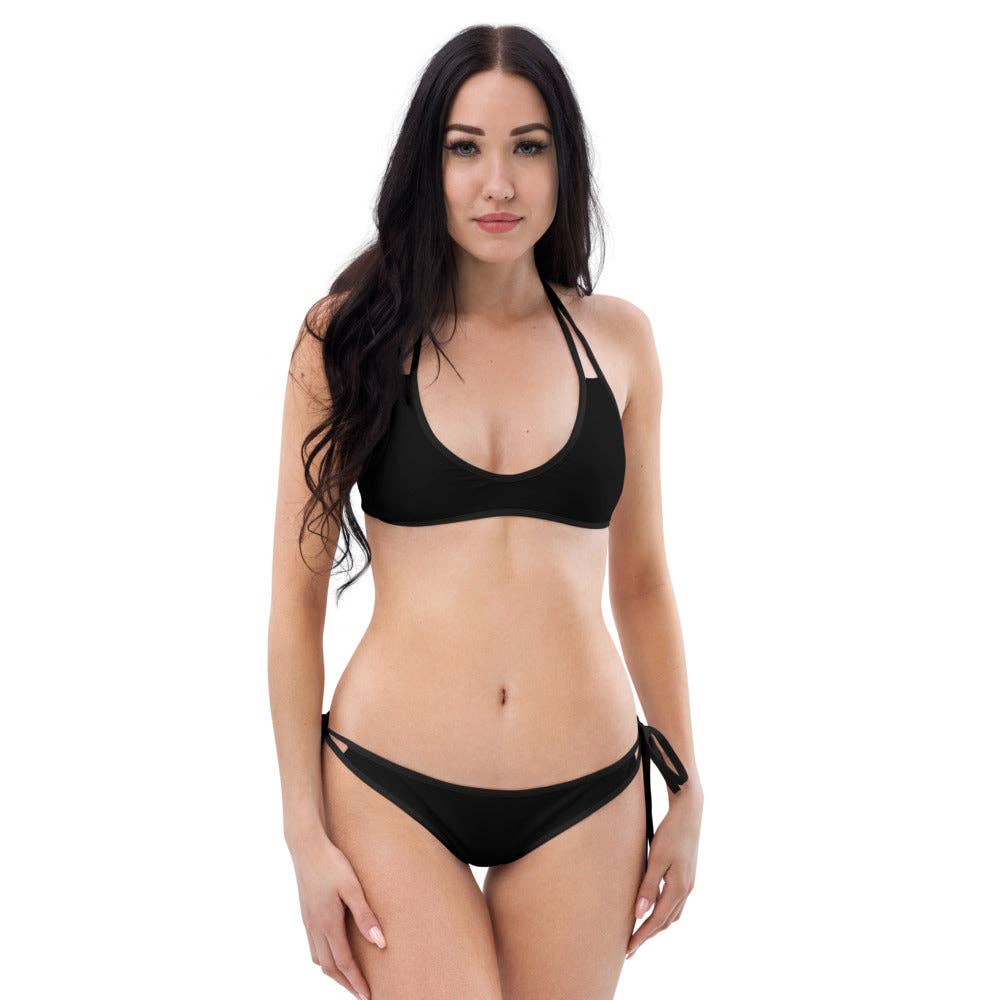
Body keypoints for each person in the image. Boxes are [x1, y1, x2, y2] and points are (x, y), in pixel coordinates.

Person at [268, 24, 703, 1000]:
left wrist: (685, 781)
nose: (497, 183)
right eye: (465, 147)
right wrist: (303, 832)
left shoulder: (620, 342)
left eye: (528, 147)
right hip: (389, 782)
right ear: (427, 164)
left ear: (564, 162)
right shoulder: (345, 339)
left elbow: (641, 582)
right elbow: (294, 605)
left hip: (588, 791)